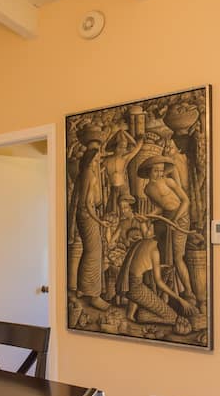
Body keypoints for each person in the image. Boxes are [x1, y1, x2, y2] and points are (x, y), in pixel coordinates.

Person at [116, 225, 198, 334]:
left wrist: (160, 267)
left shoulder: (142, 242)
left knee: (154, 304)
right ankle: (140, 315)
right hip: (136, 289)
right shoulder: (154, 251)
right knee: (172, 317)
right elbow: (159, 282)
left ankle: (134, 314)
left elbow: (142, 265)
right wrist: (180, 300)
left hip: (129, 285)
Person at [137, 156, 196, 303]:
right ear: (149, 171)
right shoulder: (147, 189)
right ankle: (171, 292)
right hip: (167, 220)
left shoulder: (169, 181)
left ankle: (189, 293)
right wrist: (148, 217)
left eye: (161, 170)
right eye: (156, 170)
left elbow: (185, 201)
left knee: (177, 257)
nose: (159, 173)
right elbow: (160, 207)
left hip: (180, 218)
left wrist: (175, 219)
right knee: (166, 256)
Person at [69, 143, 110, 310]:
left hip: (82, 216)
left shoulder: (84, 173)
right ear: (90, 160)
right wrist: (100, 221)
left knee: (89, 251)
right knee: (94, 253)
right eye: (96, 160)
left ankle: (82, 288)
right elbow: (87, 203)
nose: (97, 162)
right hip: (88, 216)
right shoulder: (90, 175)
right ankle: (93, 295)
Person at [103, 131, 144, 214]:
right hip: (111, 189)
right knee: (112, 210)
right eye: (120, 147)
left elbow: (135, 150)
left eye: (124, 147)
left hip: (123, 188)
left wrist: (140, 141)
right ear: (114, 147)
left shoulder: (124, 159)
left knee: (124, 208)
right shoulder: (106, 160)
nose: (123, 150)